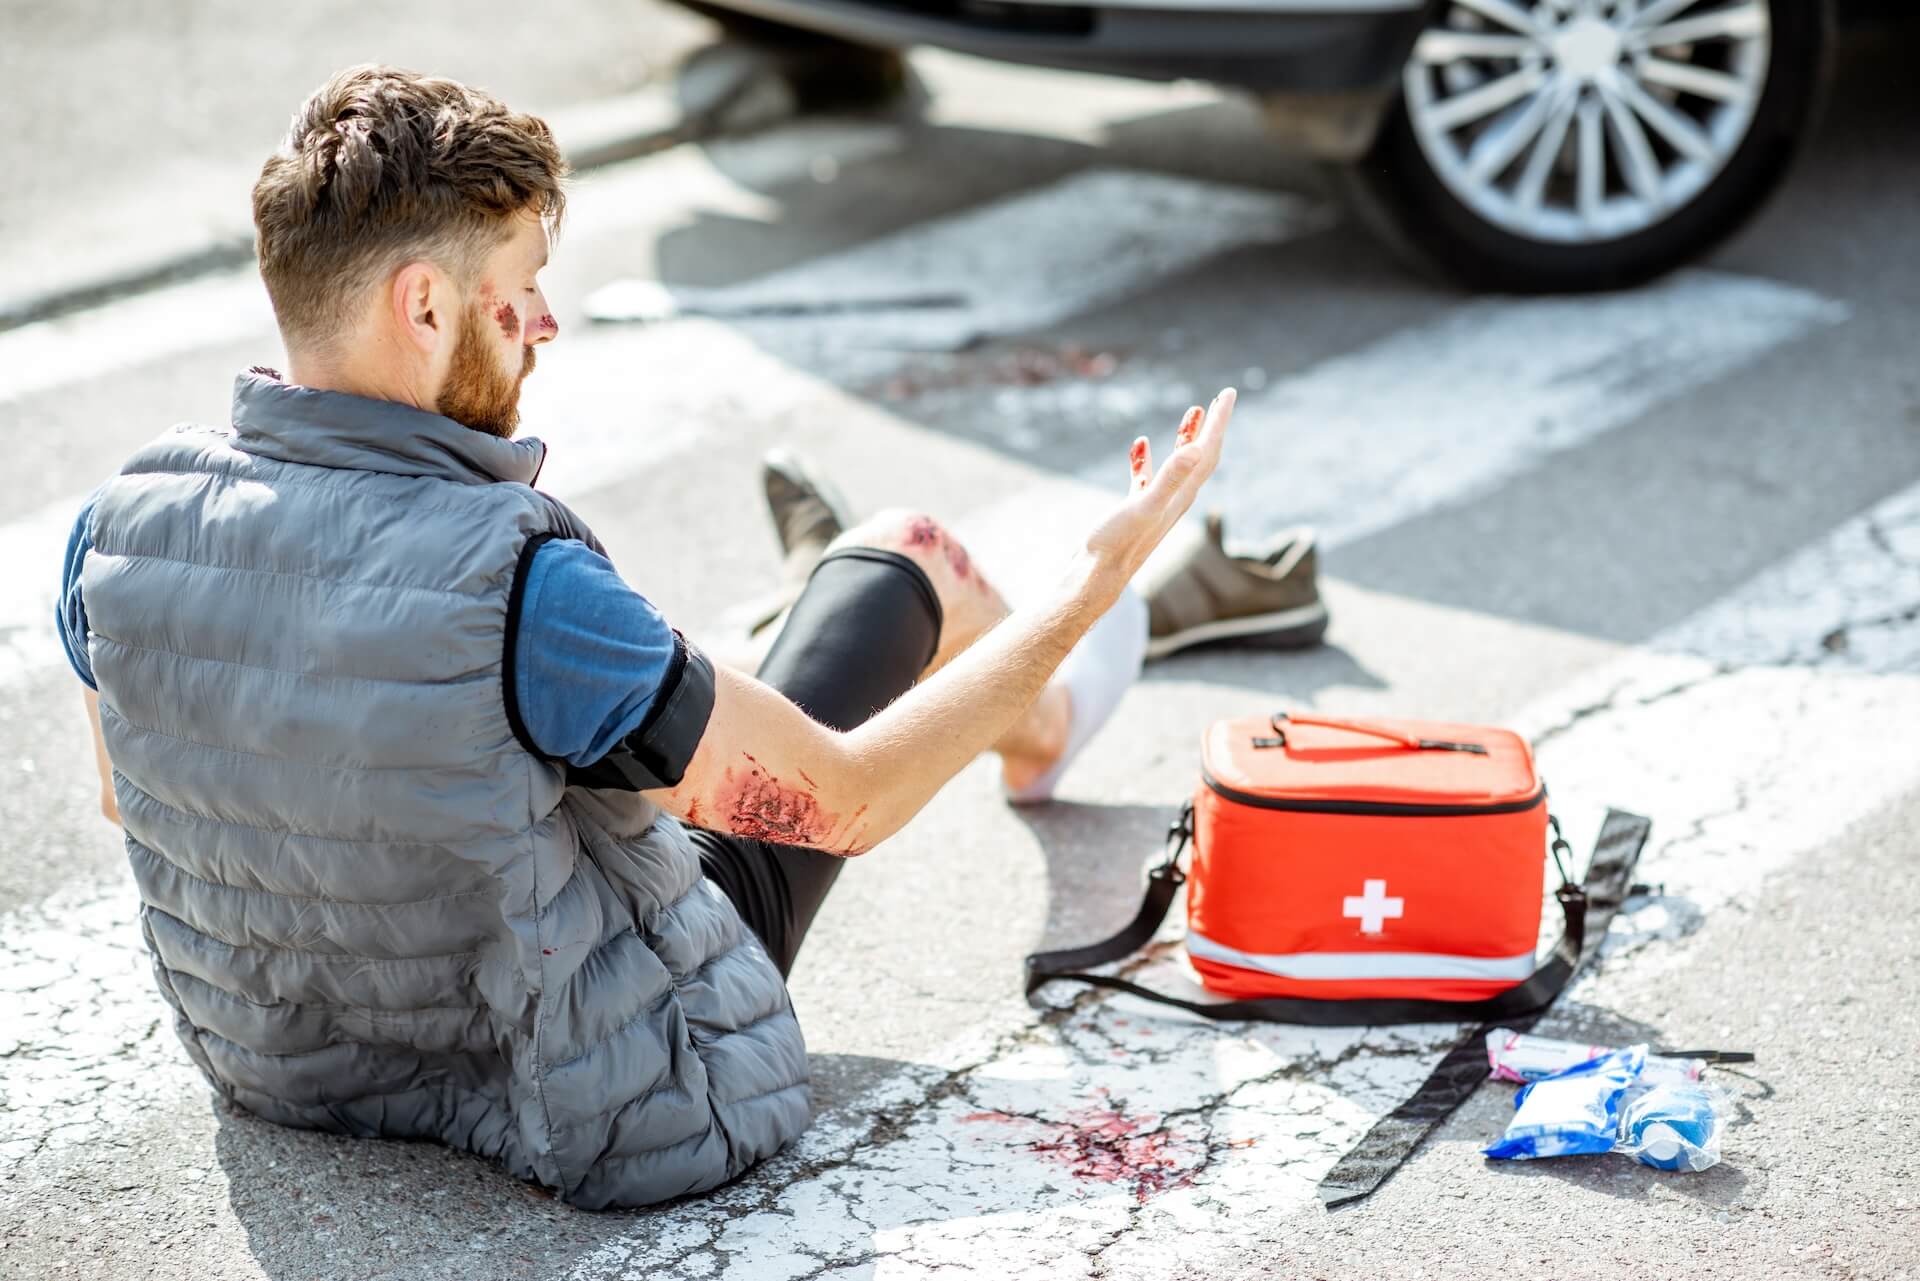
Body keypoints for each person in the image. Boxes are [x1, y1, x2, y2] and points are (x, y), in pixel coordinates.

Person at [53, 65, 1258, 1211]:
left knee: (602, 709)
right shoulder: (523, 582)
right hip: (612, 1086)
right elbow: (849, 805)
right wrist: (1094, 579)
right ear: (423, 304)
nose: (544, 322)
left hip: (289, 1070)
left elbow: (131, 798)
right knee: (909, 556)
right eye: (518, 287)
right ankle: (1039, 697)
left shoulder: (120, 530)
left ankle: (761, 649)